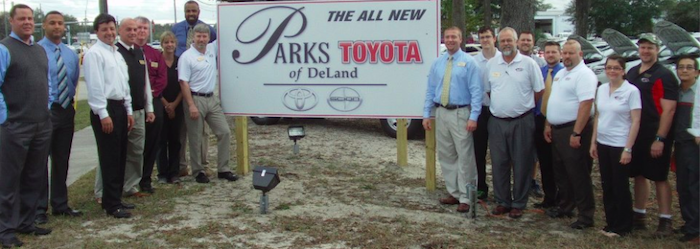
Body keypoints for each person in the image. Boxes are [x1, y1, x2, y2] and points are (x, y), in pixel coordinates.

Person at [0, 4, 54, 246]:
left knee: (34, 176)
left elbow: (46, 82)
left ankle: (26, 221)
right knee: (9, 180)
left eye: (30, 19)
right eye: (21, 18)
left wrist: (47, 107)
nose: (27, 22)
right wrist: (5, 119)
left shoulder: (39, 50)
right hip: (15, 125)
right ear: (11, 21)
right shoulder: (4, 49)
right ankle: (6, 230)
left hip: (41, 124)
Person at [483, 27, 543, 219]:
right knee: (499, 163)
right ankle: (502, 201)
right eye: (503, 41)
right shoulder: (492, 64)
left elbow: (538, 90)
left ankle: (518, 202)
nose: (506, 44)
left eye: (510, 40)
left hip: (522, 121)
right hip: (497, 122)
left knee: (522, 162)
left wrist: (522, 106)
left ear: (516, 41)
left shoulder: (528, 64)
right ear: (498, 42)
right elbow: (489, 91)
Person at [422, 26, 483, 213]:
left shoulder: (469, 62)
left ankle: (466, 196)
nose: (450, 40)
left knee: (464, 156)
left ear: (460, 39)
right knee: (446, 155)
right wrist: (427, 114)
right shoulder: (438, 63)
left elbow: (476, 91)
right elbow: (431, 90)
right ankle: (454, 192)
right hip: (441, 112)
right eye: (447, 37)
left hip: (461, 113)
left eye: (454, 37)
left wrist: (474, 117)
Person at [94, 18, 154, 201]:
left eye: (136, 29)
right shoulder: (114, 51)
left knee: (136, 151)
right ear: (120, 31)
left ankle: (130, 186)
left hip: (136, 110)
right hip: (116, 111)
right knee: (110, 154)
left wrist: (149, 107)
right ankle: (102, 191)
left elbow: (145, 82)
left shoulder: (139, 52)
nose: (133, 32)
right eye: (128, 29)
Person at [83, 13, 135, 219]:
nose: (109, 33)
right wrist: (103, 114)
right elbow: (95, 87)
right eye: (104, 29)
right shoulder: (94, 54)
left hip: (120, 107)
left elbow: (124, 84)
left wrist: (129, 110)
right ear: (97, 32)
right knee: (110, 158)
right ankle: (111, 205)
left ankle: (115, 198)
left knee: (121, 155)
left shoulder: (116, 53)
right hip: (105, 109)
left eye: (112, 28)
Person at [626, 33, 678, 236]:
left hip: (655, 132)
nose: (645, 51)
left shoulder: (664, 75)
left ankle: (665, 219)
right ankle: (639, 214)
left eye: (650, 47)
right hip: (635, 132)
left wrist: (660, 138)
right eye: (642, 47)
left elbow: (669, 110)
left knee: (659, 176)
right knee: (639, 174)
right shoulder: (632, 72)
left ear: (657, 50)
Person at [35, 10, 83, 225]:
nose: (57, 27)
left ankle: (60, 204)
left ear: (65, 27)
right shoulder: (36, 51)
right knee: (40, 161)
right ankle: (38, 208)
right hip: (45, 111)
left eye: (60, 23)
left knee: (62, 160)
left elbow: (72, 81)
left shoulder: (71, 53)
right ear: (44, 26)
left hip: (65, 111)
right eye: (52, 23)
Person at [544, 40, 597, 229]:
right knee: (561, 173)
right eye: (564, 53)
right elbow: (554, 100)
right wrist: (548, 124)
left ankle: (586, 215)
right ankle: (565, 207)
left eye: (571, 53)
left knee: (578, 173)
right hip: (557, 129)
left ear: (580, 54)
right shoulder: (561, 73)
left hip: (573, 129)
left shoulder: (584, 75)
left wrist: (577, 133)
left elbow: (586, 104)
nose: (566, 56)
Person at [179, 23, 239, 183]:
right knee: (196, 137)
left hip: (212, 99)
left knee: (224, 132)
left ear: (208, 38)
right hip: (195, 99)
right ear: (193, 37)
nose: (201, 39)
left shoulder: (212, 49)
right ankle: (198, 171)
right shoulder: (186, 57)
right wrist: (191, 105)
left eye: (204, 36)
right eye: (198, 36)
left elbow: (227, 32)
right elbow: (183, 83)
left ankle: (223, 169)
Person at [590, 55, 641, 237]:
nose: (612, 71)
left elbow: (635, 121)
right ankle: (610, 223)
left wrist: (628, 148)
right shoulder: (602, 89)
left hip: (620, 144)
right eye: (609, 67)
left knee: (620, 186)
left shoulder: (631, 91)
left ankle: (623, 226)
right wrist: (593, 141)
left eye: (616, 68)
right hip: (603, 142)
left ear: (623, 70)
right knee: (607, 185)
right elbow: (598, 116)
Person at [172, 0, 214, 175]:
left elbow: (213, 48)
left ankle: (202, 162)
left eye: (194, 10)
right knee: (181, 128)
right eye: (188, 10)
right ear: (184, 12)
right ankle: (181, 165)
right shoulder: (176, 28)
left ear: (198, 12)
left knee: (201, 130)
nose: (191, 13)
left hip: (198, 79)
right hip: (179, 75)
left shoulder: (207, 29)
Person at [135, 16, 167, 190]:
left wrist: (150, 94)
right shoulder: (126, 53)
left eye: (144, 28)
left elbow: (162, 78)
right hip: (135, 104)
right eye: (138, 28)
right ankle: (132, 178)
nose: (141, 31)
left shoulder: (155, 54)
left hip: (154, 102)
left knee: (152, 142)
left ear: (149, 31)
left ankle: (146, 179)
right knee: (135, 145)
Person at [532, 40, 563, 209]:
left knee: (558, 162)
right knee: (544, 161)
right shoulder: (540, 71)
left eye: (554, 52)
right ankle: (549, 197)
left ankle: (562, 199)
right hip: (539, 118)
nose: (550, 55)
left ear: (560, 54)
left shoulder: (564, 73)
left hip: (557, 122)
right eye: (547, 52)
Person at [471, 26, 500, 201]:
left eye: (488, 37)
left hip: (498, 111)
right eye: (482, 37)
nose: (485, 40)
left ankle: (501, 190)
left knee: (499, 153)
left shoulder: (501, 58)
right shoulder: (474, 61)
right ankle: (481, 187)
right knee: (478, 152)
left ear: (494, 38)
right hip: (480, 110)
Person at [673, 55, 699, 243]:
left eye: (689, 67)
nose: (684, 70)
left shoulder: (697, 93)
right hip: (679, 144)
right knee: (683, 186)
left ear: (696, 72)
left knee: (695, 187)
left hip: (695, 144)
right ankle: (689, 223)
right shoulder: (677, 92)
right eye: (681, 67)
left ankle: (696, 230)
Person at [158, 31, 183, 184]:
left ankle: (174, 173)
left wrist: (174, 105)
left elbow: (184, 83)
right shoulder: (157, 60)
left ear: (175, 44)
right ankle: (162, 174)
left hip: (177, 104)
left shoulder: (180, 61)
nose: (169, 45)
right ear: (162, 44)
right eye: (166, 42)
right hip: (161, 104)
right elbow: (154, 85)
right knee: (161, 140)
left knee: (175, 140)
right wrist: (166, 104)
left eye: (172, 42)